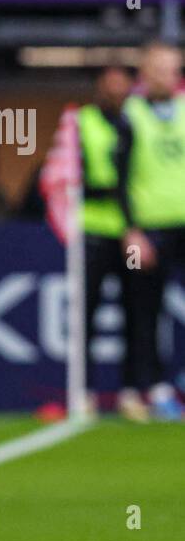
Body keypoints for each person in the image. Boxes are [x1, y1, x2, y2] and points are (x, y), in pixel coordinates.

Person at [72, 66, 146, 419]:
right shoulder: (81, 121)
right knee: (87, 311)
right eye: (110, 88)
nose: (117, 95)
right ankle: (83, 391)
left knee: (136, 310)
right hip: (93, 230)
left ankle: (131, 392)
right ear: (99, 90)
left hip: (132, 232)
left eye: (123, 89)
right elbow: (74, 173)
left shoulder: (136, 122)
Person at [118, 42, 185, 420]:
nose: (168, 76)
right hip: (147, 231)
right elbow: (121, 177)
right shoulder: (131, 114)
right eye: (159, 68)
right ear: (145, 72)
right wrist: (131, 230)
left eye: (174, 68)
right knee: (144, 311)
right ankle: (153, 389)